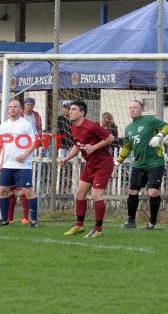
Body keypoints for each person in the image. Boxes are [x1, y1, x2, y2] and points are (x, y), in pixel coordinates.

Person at [59, 100, 114, 238]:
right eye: (69, 109)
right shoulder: (73, 127)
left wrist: (94, 147)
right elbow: (77, 145)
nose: (70, 111)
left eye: (73, 109)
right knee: (79, 193)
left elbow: (110, 138)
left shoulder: (92, 126)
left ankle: (98, 229)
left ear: (82, 112)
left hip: (103, 164)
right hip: (90, 164)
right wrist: (66, 158)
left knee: (96, 194)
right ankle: (79, 225)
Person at [117, 100, 168, 230]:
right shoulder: (128, 128)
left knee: (152, 192)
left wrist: (159, 135)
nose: (132, 109)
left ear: (141, 110)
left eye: (135, 107)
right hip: (138, 164)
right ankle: (131, 221)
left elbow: (167, 127)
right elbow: (127, 146)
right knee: (132, 191)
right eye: (130, 107)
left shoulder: (150, 120)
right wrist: (119, 160)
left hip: (155, 162)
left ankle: (152, 221)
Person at [0, 99, 39, 227]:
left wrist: (25, 154)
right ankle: (4, 219)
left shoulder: (26, 124)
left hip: (23, 166)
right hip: (7, 165)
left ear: (20, 110)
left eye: (15, 107)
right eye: (10, 107)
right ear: (8, 110)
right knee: (3, 191)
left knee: (28, 191)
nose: (12, 109)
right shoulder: (4, 125)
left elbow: (35, 141)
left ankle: (34, 220)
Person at [7, 97, 42, 224]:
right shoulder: (12, 122)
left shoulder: (34, 118)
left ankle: (26, 217)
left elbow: (38, 133)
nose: (30, 106)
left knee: (25, 190)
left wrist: (33, 146)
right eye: (28, 104)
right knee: (9, 190)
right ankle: (9, 218)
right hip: (11, 159)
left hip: (25, 157)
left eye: (32, 104)